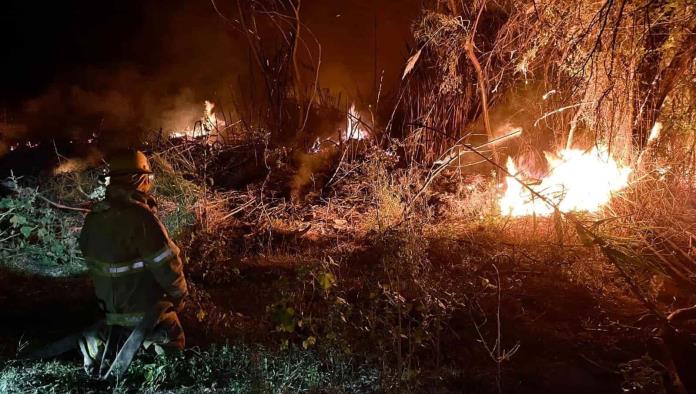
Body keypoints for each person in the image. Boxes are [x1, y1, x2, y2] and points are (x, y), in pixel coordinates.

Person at [77, 149, 188, 377]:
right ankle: (157, 358)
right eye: (148, 178)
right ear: (139, 179)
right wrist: (179, 297)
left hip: (110, 312)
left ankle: (105, 343)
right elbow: (167, 266)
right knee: (174, 338)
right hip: (144, 311)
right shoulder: (141, 218)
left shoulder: (94, 218)